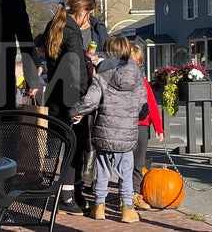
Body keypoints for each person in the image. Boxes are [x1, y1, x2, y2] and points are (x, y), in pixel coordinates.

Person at [69, 35, 146, 223]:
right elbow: (142, 105)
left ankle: (99, 207)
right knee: (126, 172)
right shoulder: (137, 75)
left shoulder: (102, 73)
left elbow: (91, 100)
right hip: (127, 133)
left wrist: (74, 111)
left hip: (104, 131)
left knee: (103, 170)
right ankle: (127, 209)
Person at [42, 0, 95, 216]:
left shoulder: (54, 26)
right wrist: (82, 102)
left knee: (62, 147)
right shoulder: (73, 34)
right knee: (75, 148)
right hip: (71, 99)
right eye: (89, 13)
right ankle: (65, 196)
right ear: (82, 11)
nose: (90, 18)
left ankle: (68, 192)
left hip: (54, 96)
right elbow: (76, 71)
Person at [76, 15, 108, 207]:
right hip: (76, 87)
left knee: (93, 136)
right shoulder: (67, 25)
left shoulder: (99, 29)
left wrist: (99, 62)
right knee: (81, 137)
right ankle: (80, 180)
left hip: (95, 83)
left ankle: (90, 177)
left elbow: (107, 54)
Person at [129, 43, 164, 210]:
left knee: (138, 163)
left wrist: (159, 128)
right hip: (126, 127)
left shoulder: (144, 83)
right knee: (125, 163)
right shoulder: (120, 82)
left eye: (138, 63)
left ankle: (135, 193)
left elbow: (152, 107)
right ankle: (125, 194)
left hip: (142, 128)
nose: (135, 67)